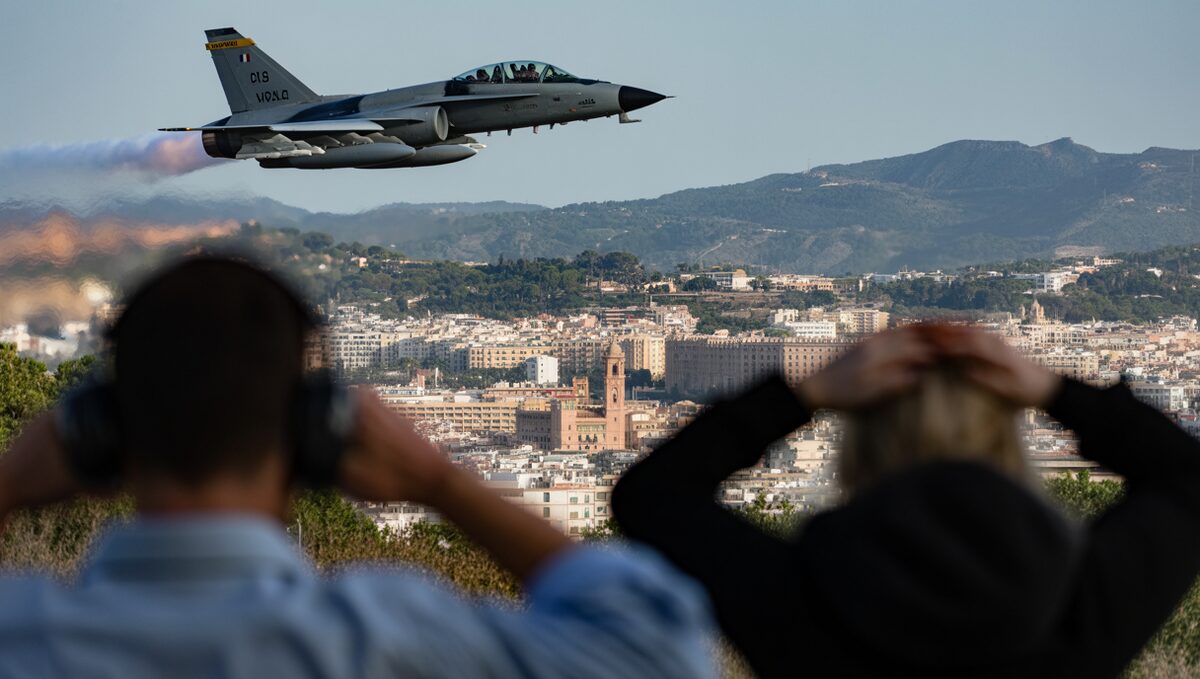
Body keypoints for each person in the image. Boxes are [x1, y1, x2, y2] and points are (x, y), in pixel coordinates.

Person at [0, 257, 715, 678]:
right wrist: (442, 483)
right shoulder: (388, 633)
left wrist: (7, 482)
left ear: (96, 435)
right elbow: (656, 645)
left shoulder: (23, 634)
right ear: (315, 435)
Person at [613, 325, 1200, 678]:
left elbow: (653, 495)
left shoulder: (805, 602)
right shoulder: (1078, 608)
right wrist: (1055, 388)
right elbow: (1188, 481)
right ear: (1008, 440)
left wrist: (808, 392)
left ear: (857, 446)